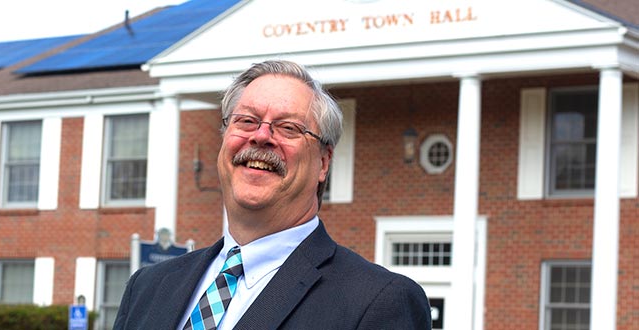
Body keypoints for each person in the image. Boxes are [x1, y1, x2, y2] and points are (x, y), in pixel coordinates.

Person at [113, 60, 431, 329]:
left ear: (323, 162)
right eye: (247, 121)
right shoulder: (148, 287)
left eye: (289, 128)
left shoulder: (380, 302)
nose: (261, 136)